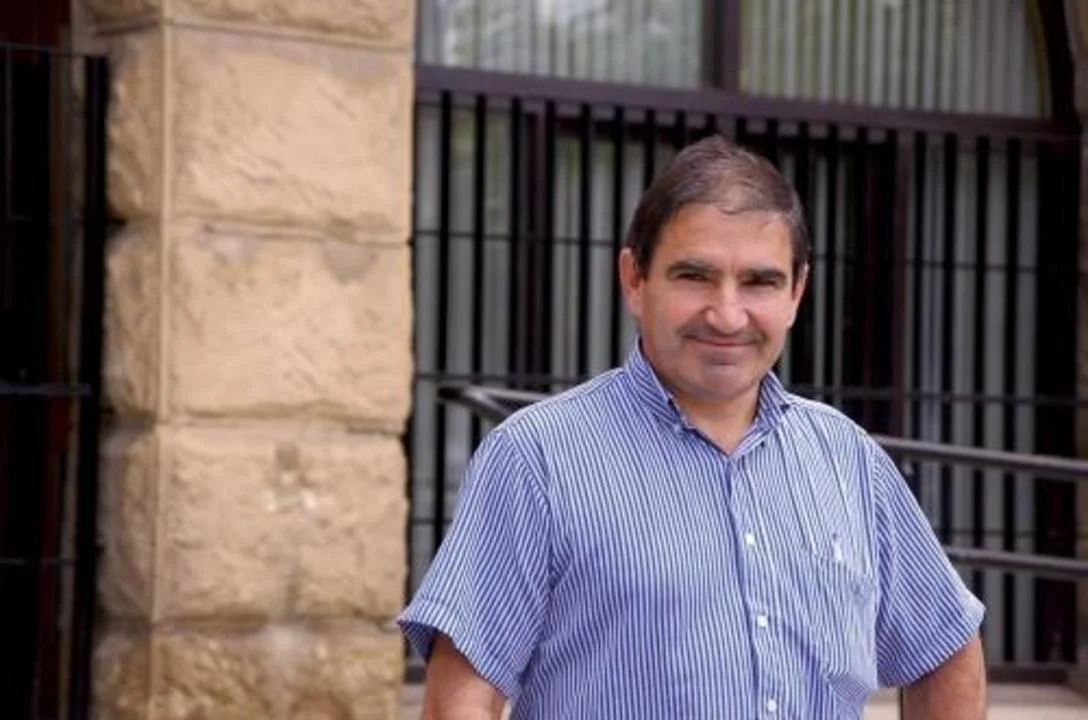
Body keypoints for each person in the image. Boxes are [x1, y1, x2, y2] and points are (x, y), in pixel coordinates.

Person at [398, 135, 986, 719]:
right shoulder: (536, 458)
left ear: (797, 292)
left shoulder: (849, 460)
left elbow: (945, 649)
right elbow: (460, 703)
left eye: (759, 282)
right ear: (634, 278)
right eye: (695, 276)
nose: (727, 315)